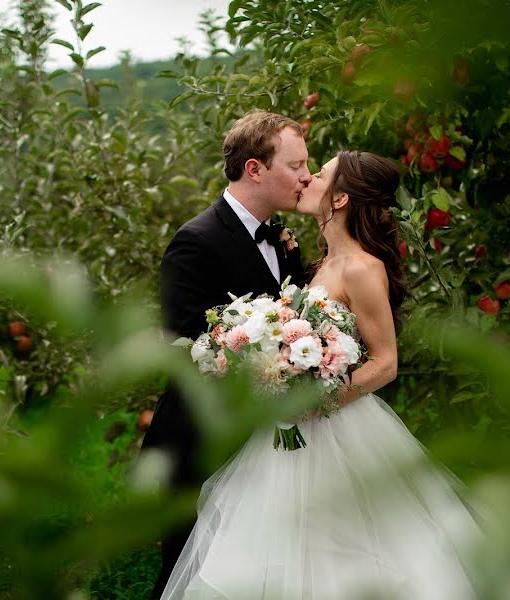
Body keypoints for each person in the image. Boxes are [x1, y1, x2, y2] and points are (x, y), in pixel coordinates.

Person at [159, 151, 510, 599]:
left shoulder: (363, 268)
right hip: (293, 434)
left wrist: (319, 400)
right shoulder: (319, 264)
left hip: (341, 430)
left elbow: (386, 361)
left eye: (321, 173)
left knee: (355, 549)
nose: (308, 178)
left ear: (342, 196)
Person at [141, 110, 313, 599]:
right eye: (296, 165)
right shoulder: (195, 241)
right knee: (188, 574)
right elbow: (183, 342)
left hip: (267, 437)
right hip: (202, 437)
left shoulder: (283, 238)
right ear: (255, 169)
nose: (305, 176)